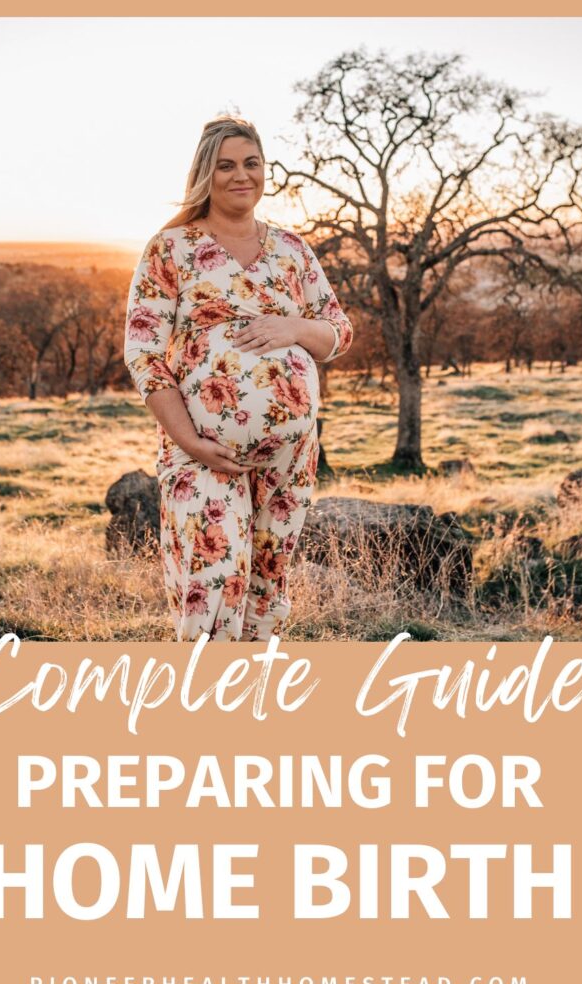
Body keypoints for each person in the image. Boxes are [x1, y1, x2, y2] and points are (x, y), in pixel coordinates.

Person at [124, 114, 353, 641]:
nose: (241, 175)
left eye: (252, 163)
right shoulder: (171, 248)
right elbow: (144, 355)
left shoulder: (292, 249)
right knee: (213, 583)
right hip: (202, 450)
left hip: (290, 455)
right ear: (206, 173)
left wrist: (293, 325)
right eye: (226, 165)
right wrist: (191, 442)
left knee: (267, 589)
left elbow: (338, 333)